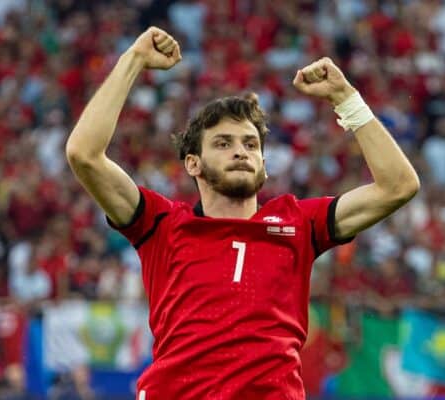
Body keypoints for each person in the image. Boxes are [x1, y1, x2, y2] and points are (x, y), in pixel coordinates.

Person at [65, 27, 420, 400]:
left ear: (264, 166)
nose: (241, 151)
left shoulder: (299, 223)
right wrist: (134, 58)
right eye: (223, 143)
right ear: (193, 164)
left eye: (251, 144)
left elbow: (398, 186)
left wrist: (346, 99)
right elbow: (83, 154)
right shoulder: (162, 224)